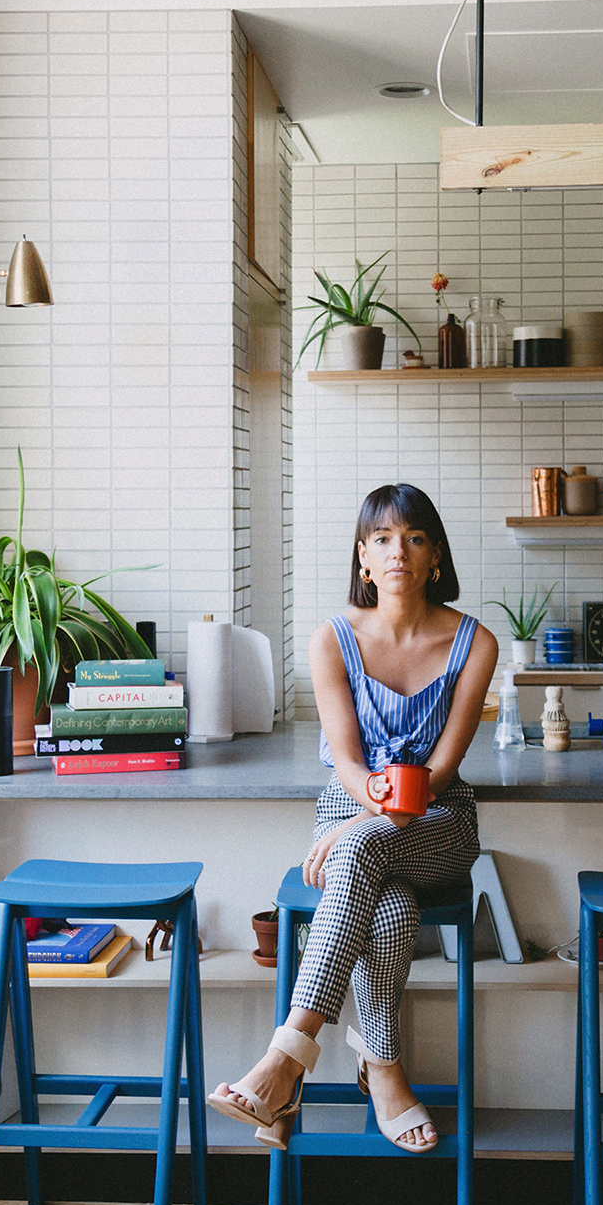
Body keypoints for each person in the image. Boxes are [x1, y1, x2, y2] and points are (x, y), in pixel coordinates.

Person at [208, 483, 497, 1153]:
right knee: (391, 911)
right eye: (384, 538)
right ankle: (384, 1067)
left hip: (439, 822)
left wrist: (368, 826)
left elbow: (443, 770)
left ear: (435, 557)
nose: (400, 549)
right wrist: (366, 817)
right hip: (350, 809)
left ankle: (286, 1059)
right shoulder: (330, 640)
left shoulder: (474, 643)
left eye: (415, 537)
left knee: (365, 851)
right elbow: (344, 759)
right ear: (363, 558)